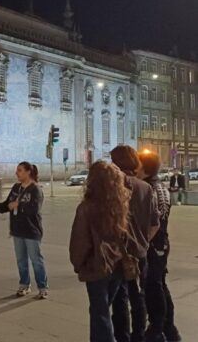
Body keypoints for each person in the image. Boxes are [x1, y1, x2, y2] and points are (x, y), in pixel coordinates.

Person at [70, 161, 131, 342]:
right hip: (117, 264)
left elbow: (80, 241)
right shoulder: (120, 203)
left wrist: (78, 264)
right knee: (103, 308)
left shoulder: (86, 207)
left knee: (99, 312)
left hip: (96, 266)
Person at [110, 145, 160, 342]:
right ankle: (138, 335)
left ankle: (121, 336)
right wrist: (142, 241)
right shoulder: (146, 188)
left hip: (116, 253)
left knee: (119, 299)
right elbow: (155, 224)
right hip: (139, 253)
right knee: (138, 297)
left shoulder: (113, 186)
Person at [0, 161, 49, 299]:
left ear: (28, 172)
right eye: (17, 170)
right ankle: (24, 285)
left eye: (19, 170)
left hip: (31, 231)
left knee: (36, 260)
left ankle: (42, 287)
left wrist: (19, 205)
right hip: (17, 230)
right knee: (21, 260)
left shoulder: (35, 189)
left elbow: (34, 209)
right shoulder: (16, 187)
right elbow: (7, 205)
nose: (16, 173)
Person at [138, 152, 182, 342]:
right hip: (162, 244)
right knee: (160, 285)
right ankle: (169, 328)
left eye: (137, 165)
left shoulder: (148, 189)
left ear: (144, 168)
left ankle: (157, 329)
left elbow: (152, 223)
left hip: (153, 245)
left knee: (153, 287)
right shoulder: (160, 186)